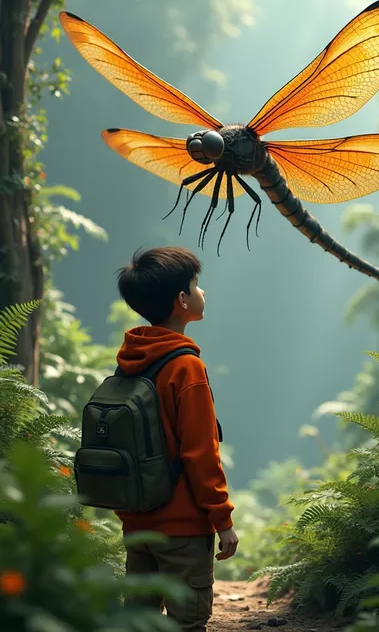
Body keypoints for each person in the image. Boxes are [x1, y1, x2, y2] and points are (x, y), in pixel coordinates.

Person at [115, 246, 238, 631]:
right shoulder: (186, 368)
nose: (203, 293)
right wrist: (222, 519)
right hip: (183, 528)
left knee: (139, 621)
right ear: (182, 301)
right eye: (197, 285)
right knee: (188, 623)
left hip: (137, 523)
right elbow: (201, 454)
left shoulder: (133, 360)